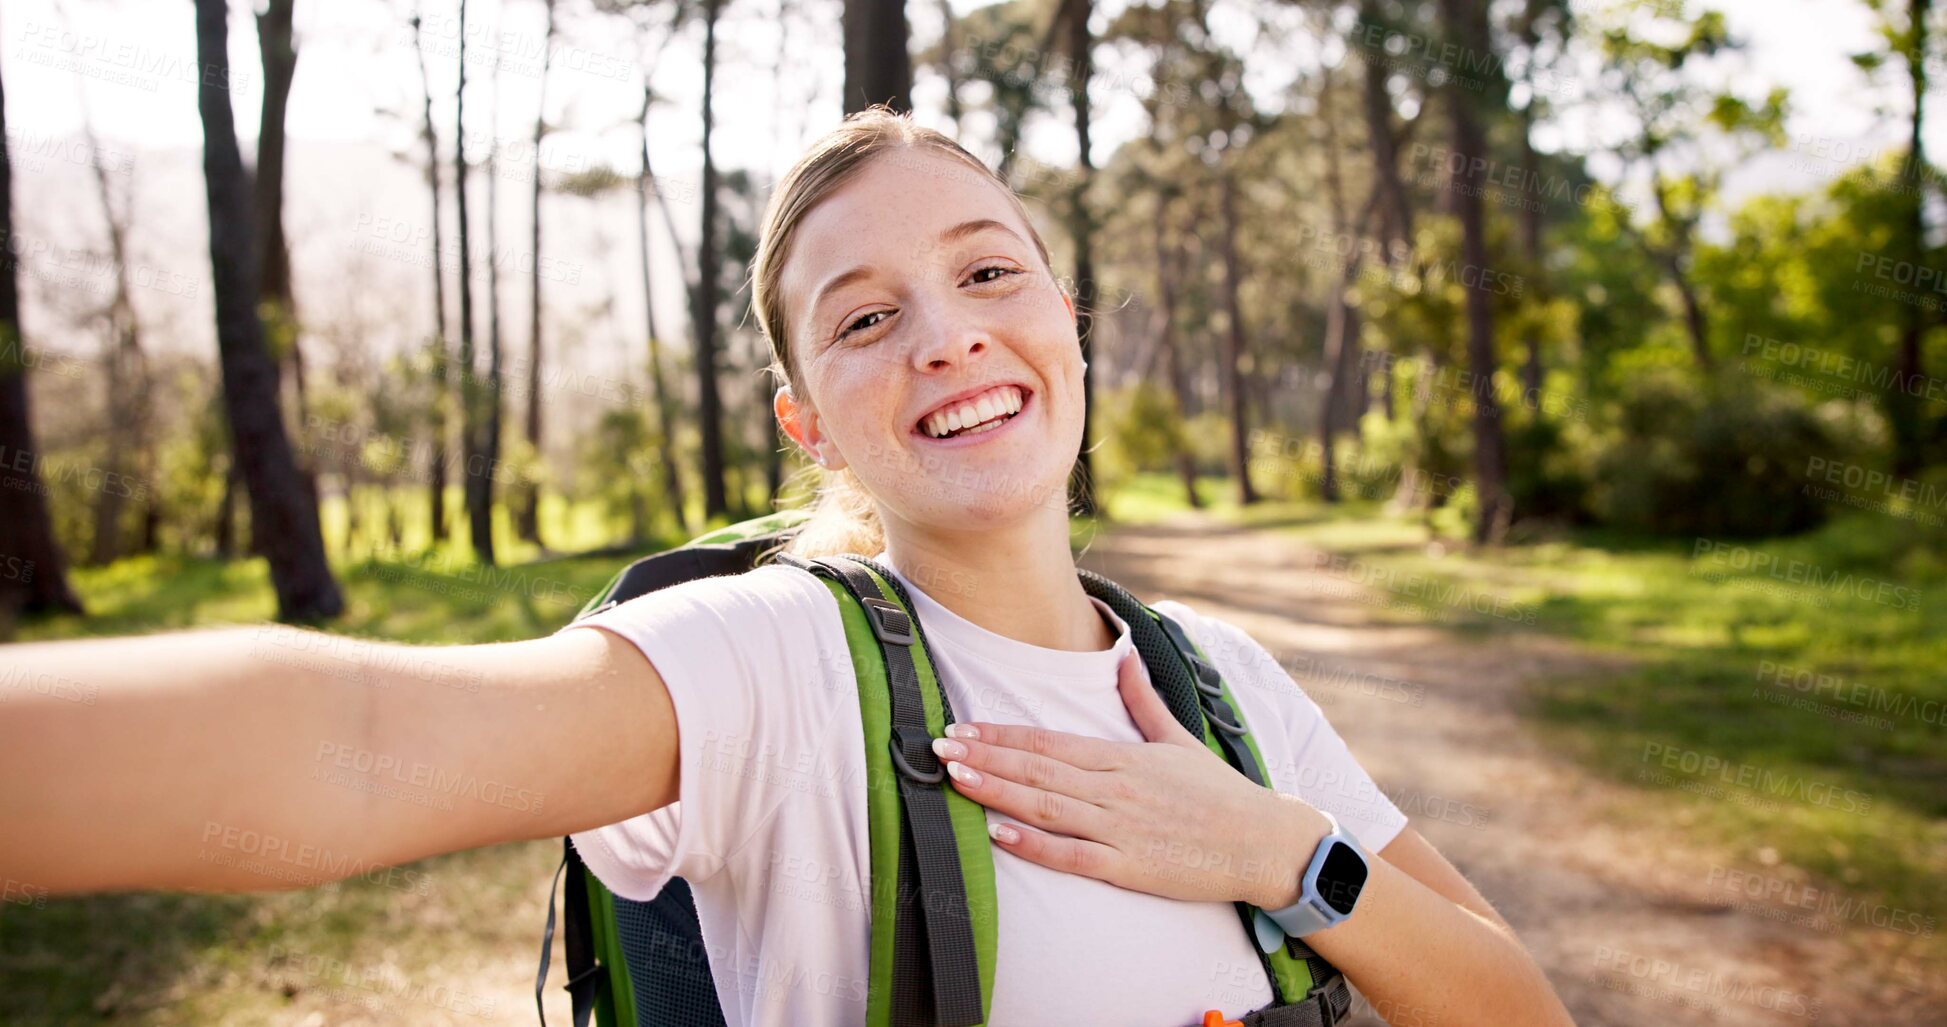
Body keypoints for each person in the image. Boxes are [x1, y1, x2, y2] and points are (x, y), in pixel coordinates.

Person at [0, 107, 1572, 1027]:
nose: (948, 330)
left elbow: (1520, 1011)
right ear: (808, 421)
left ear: (1066, 322)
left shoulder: (1230, 687)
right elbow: (349, 745)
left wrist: (1283, 857)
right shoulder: (774, 663)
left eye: (984, 271)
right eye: (867, 315)